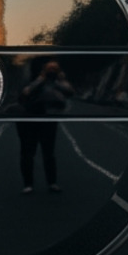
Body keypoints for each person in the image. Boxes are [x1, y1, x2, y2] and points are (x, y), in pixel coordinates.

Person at [16, 60, 74, 193]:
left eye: (55, 69)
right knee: (27, 153)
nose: (51, 72)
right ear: (43, 70)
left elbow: (70, 92)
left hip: (48, 121)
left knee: (48, 153)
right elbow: (26, 92)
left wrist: (58, 80)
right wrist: (41, 79)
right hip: (29, 120)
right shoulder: (33, 80)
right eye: (49, 69)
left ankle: (52, 183)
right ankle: (28, 184)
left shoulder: (58, 83)